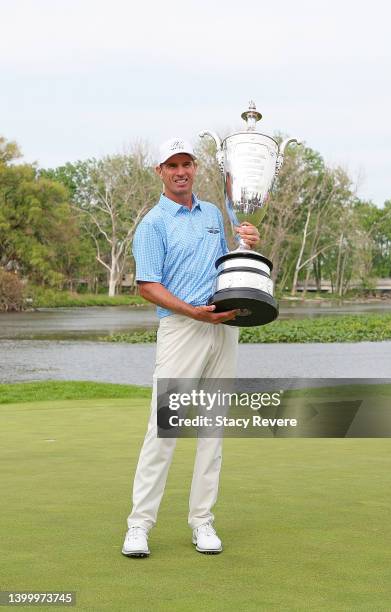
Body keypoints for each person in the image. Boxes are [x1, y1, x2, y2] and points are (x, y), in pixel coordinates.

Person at [122, 137, 259, 557]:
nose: (181, 171)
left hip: (223, 327)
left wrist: (247, 243)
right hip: (182, 329)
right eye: (172, 165)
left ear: (195, 168)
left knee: (212, 430)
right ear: (160, 172)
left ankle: (202, 522)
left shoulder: (215, 214)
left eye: (187, 164)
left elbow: (226, 265)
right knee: (164, 430)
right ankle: (139, 526)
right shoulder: (153, 224)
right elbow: (148, 287)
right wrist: (192, 312)